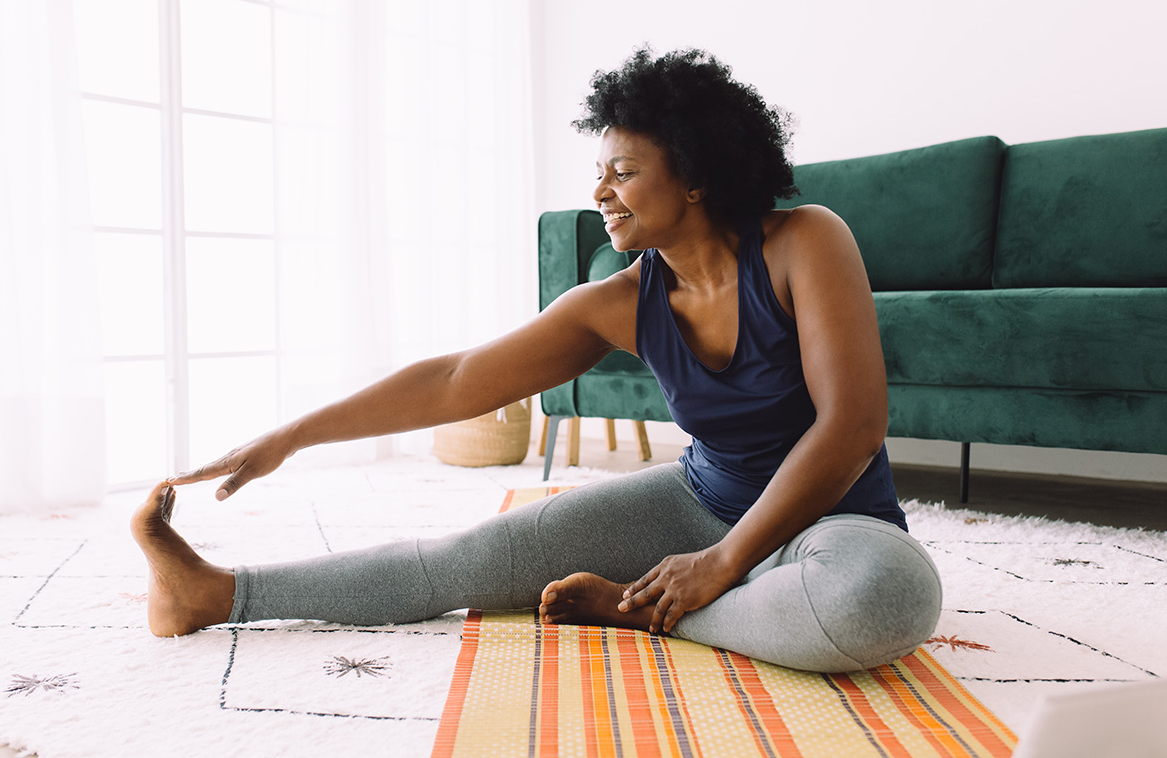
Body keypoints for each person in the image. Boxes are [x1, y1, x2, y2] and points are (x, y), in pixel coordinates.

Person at [132, 48, 942, 673]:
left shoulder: (806, 242)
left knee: (883, 600)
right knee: (469, 561)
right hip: (699, 502)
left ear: (695, 178)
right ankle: (216, 594)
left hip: (832, 527)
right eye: (599, 172)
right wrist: (295, 434)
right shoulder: (617, 299)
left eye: (624, 172)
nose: (601, 192)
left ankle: (644, 609)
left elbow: (853, 427)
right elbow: (455, 381)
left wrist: (720, 567)